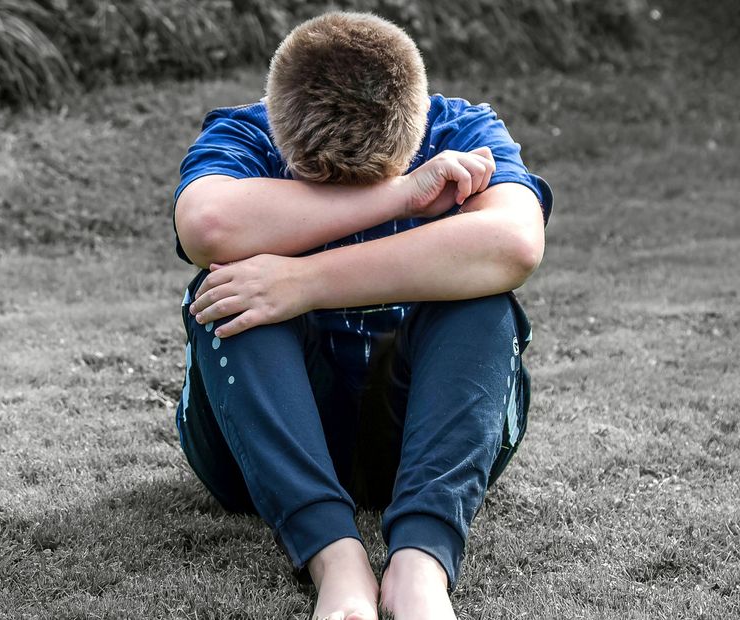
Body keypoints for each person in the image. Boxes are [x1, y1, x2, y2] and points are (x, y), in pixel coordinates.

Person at [171, 11, 552, 620]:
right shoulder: (245, 130)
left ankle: (420, 564)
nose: (346, 196)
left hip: (418, 430)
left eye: (371, 181)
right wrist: (401, 193)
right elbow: (207, 225)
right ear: (276, 123)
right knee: (226, 291)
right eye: (319, 185)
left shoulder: (462, 129)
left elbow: (514, 245)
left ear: (416, 132)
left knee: (484, 295)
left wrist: (304, 282)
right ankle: (336, 558)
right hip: (256, 452)